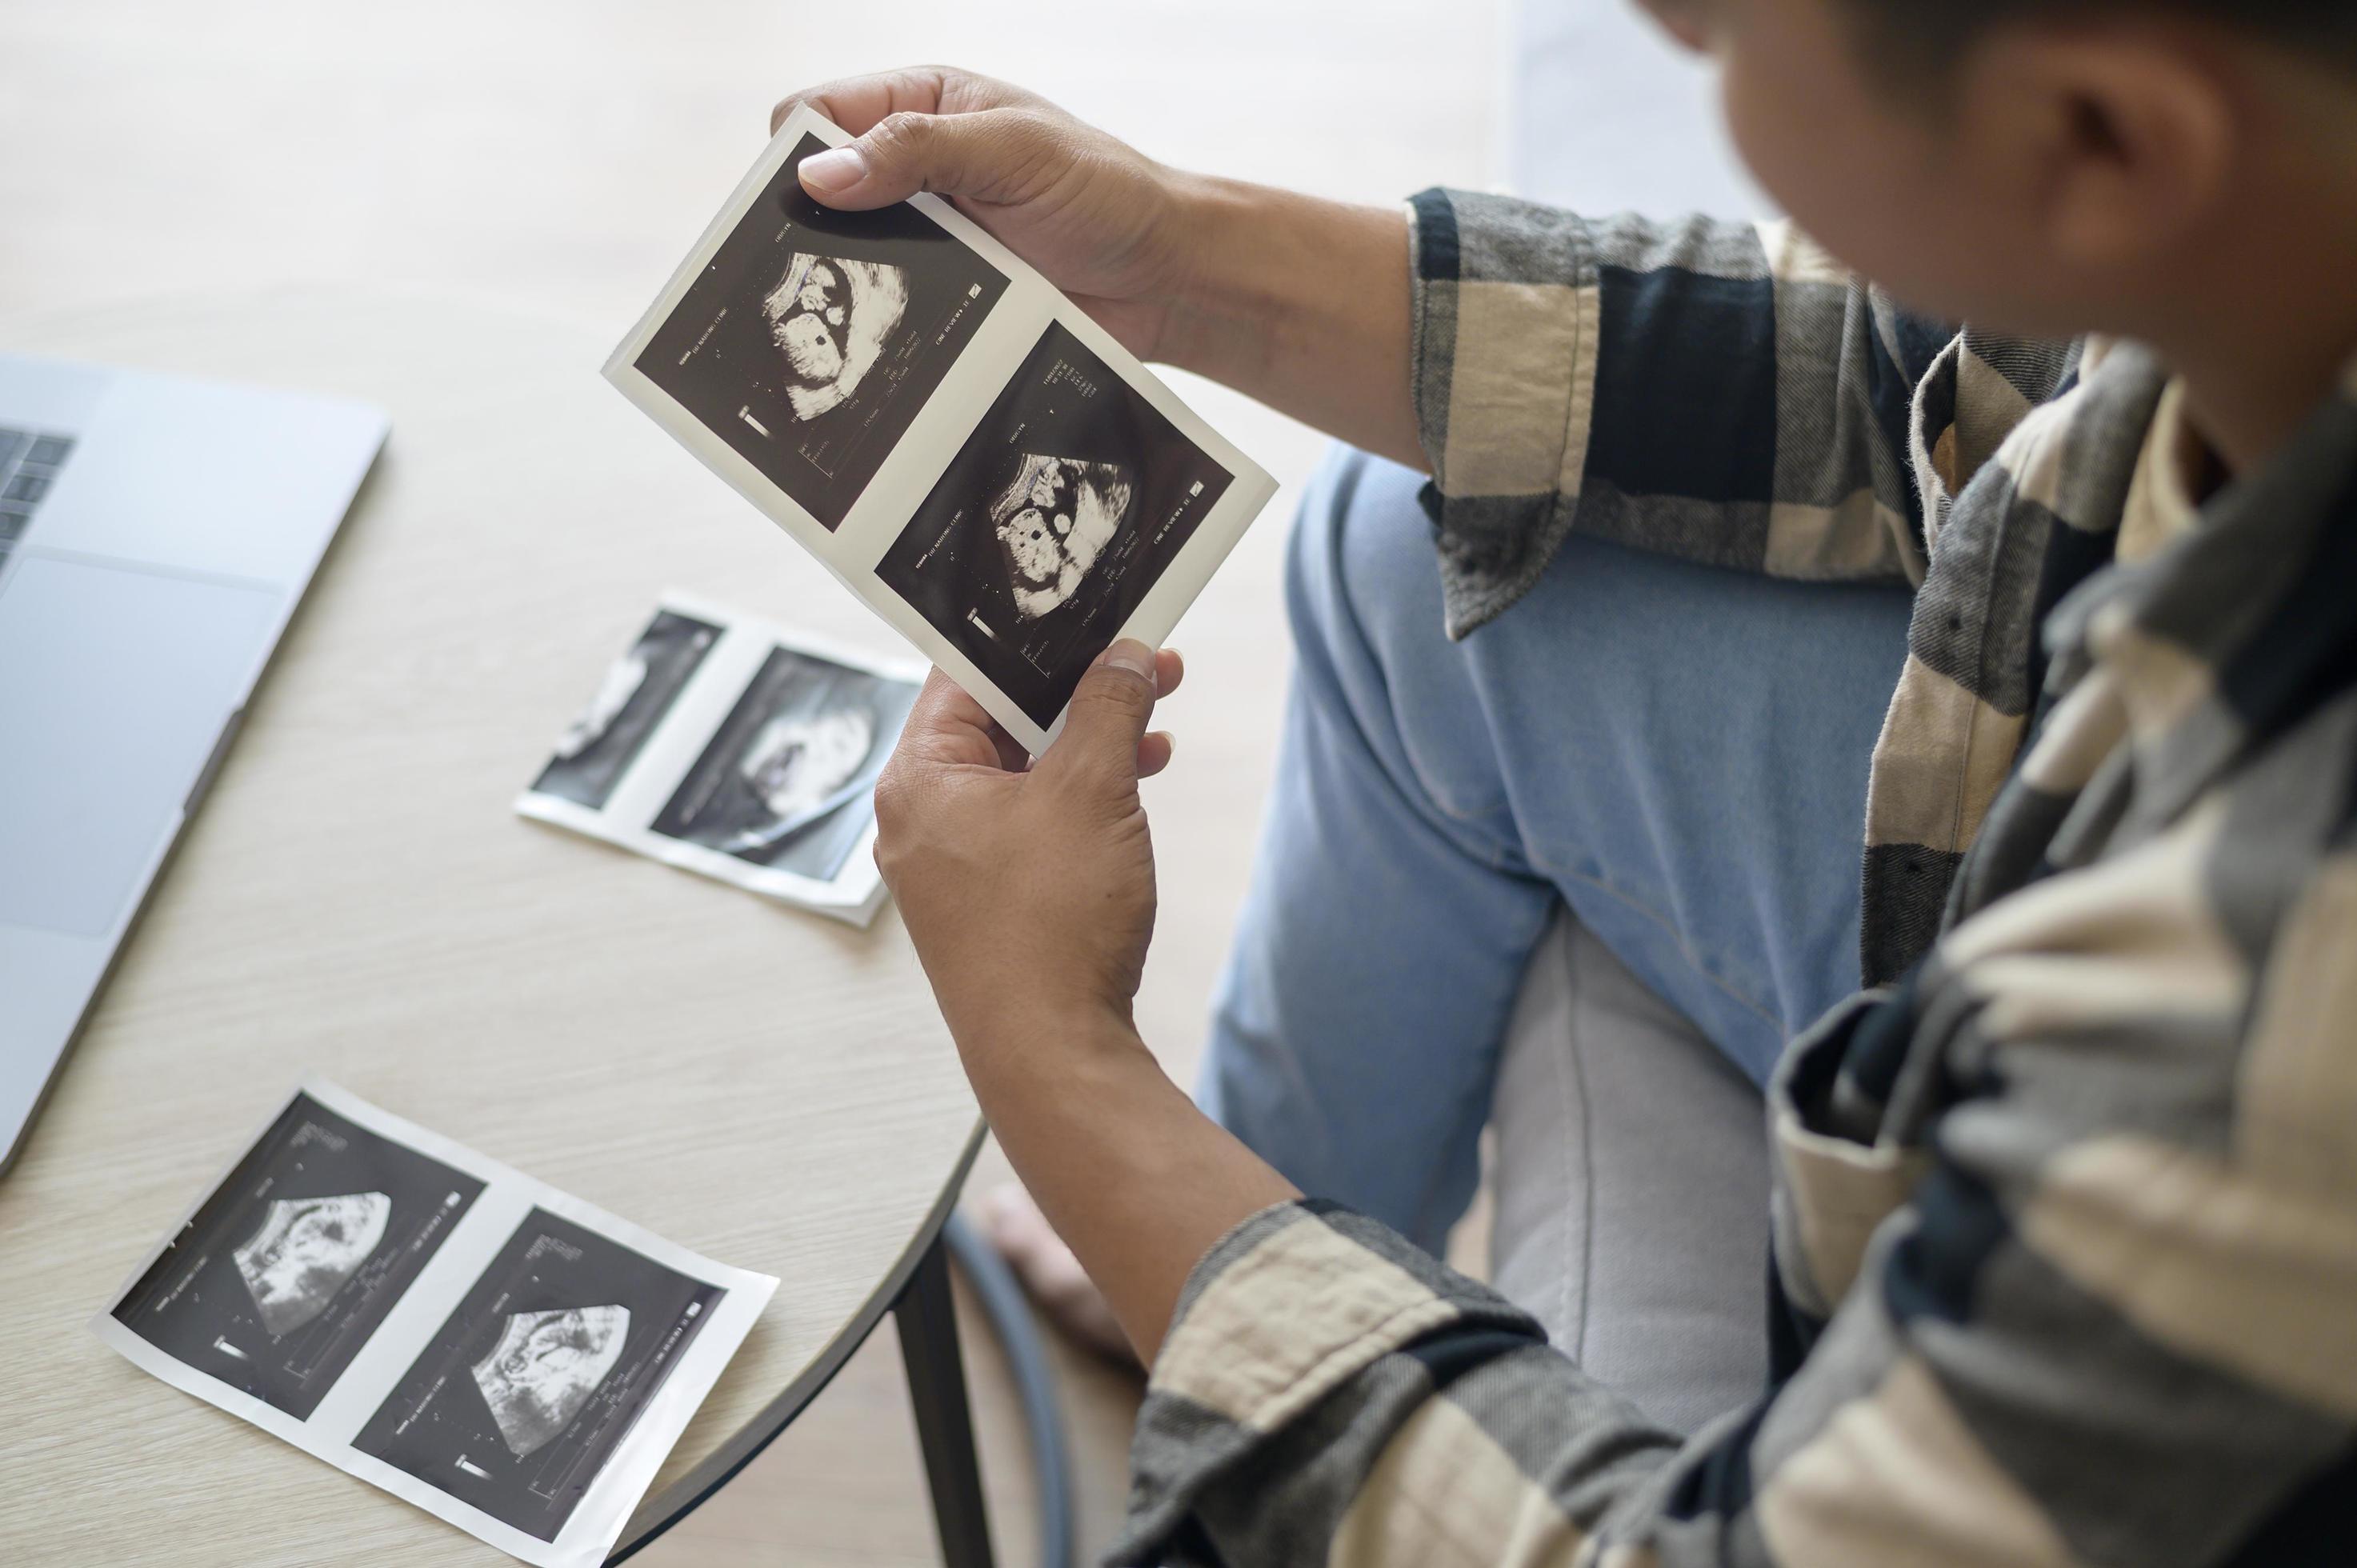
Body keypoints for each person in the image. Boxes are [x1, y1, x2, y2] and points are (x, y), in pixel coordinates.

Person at [776, 0, 2357, 1555]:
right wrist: (1182, 259)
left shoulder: (2273, 1016)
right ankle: (1249, 1244)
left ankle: (1225, 1297)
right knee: (1416, 543)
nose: (1657, 20)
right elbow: (1931, 371)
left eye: (1726, 28)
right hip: (2061, 832)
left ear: (2099, 135)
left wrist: (1052, 1052)